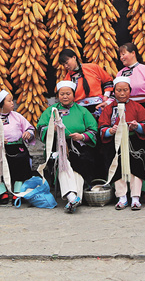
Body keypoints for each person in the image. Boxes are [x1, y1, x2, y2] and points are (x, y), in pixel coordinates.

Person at [36, 81, 98, 213]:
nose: (65, 96)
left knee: (80, 164)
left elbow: (93, 129)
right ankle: (73, 197)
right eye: (62, 94)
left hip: (78, 146)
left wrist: (82, 136)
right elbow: (41, 127)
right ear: (58, 96)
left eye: (68, 93)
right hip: (57, 145)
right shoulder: (51, 111)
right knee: (63, 164)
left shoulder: (82, 111)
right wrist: (53, 128)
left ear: (74, 95)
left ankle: (73, 198)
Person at [98, 77, 145, 211]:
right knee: (117, 168)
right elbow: (102, 127)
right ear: (114, 92)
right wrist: (110, 130)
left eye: (125, 90)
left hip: (133, 143)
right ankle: (122, 197)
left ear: (130, 91)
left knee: (135, 167)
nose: (122, 93)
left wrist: (136, 127)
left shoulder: (137, 107)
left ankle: (136, 197)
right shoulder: (108, 109)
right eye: (118, 90)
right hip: (115, 144)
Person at [0, 89, 35, 205]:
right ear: (0, 105)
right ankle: (2, 192)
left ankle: (17, 192)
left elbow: (29, 128)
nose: (13, 103)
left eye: (12, 100)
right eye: (9, 101)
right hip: (0, 149)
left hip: (17, 148)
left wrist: (28, 134)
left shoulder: (17, 116)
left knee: (22, 161)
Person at [58, 48, 114, 115]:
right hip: (80, 110)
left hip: (98, 106)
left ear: (74, 57)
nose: (66, 66)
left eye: (66, 63)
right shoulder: (68, 78)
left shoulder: (93, 68)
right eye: (63, 65)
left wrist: (106, 96)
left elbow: (108, 81)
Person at [114, 43, 145, 111]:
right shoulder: (120, 73)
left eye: (123, 54)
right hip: (126, 108)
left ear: (133, 53)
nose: (121, 58)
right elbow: (115, 94)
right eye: (120, 56)